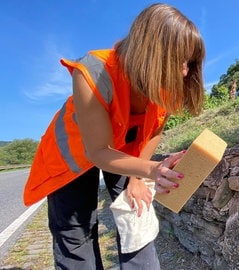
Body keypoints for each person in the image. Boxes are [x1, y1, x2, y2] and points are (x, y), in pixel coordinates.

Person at [23, 3, 205, 269]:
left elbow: (154, 129)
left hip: (122, 152)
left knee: (137, 212)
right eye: (179, 60)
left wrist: (138, 176)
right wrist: (154, 169)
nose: (185, 71)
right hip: (71, 158)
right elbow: (98, 151)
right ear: (153, 51)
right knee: (76, 234)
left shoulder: (165, 84)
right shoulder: (94, 71)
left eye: (189, 63)